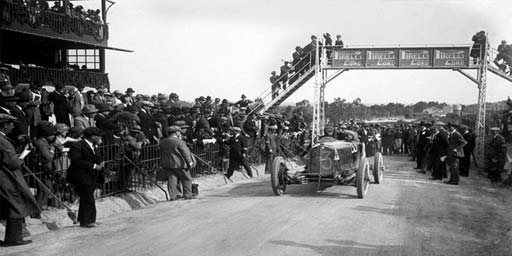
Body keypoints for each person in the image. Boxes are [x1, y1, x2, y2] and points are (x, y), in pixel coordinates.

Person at [0, 114, 40, 246]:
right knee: (15, 205)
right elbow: (12, 163)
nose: (13, 127)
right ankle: (14, 238)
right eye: (11, 124)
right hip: (6, 178)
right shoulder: (2, 141)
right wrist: (21, 158)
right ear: (5, 125)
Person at [66, 127, 106, 228]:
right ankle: (89, 220)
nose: (100, 137)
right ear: (92, 136)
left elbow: (97, 156)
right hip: (79, 176)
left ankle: (83, 220)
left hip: (89, 176)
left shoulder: (93, 146)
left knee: (85, 197)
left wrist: (101, 161)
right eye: (99, 136)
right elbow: (76, 160)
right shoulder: (77, 146)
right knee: (88, 198)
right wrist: (94, 166)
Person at [159, 126, 196, 200]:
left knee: (172, 180)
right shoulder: (179, 142)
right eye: (179, 132)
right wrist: (190, 162)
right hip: (180, 164)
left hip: (168, 164)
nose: (180, 134)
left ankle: (173, 196)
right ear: (176, 132)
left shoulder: (163, 142)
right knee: (186, 179)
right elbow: (185, 153)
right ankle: (187, 195)